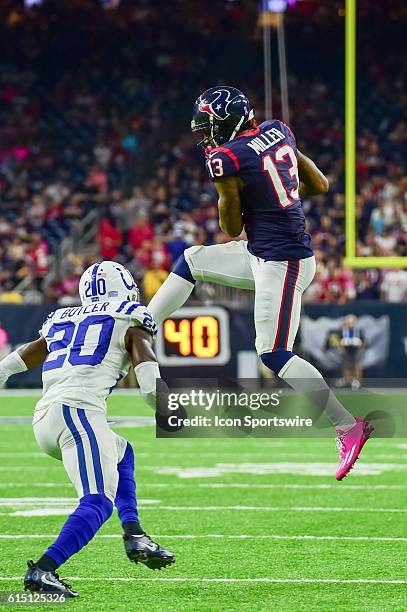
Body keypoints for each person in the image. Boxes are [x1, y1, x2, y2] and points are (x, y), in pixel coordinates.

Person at [148, 86, 374, 480]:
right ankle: (140, 327)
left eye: (210, 128)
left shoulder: (228, 157)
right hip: (263, 253)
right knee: (191, 260)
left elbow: (231, 225)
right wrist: (275, 196)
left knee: (273, 353)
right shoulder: (278, 130)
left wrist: (229, 188)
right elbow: (319, 184)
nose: (206, 137)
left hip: (282, 262)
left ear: (228, 122)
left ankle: (346, 425)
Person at [0, 261, 184, 598]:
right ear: (128, 286)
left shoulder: (62, 317)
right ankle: (44, 569)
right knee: (97, 501)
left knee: (122, 451)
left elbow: (29, 353)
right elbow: (147, 387)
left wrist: (1, 373)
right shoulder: (132, 316)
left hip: (46, 416)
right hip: (78, 412)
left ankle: (135, 534)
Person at [337, 314, 365, 389]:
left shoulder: (359, 331)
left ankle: (357, 381)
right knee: (346, 366)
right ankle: (347, 380)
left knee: (357, 366)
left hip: (356, 351)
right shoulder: (342, 331)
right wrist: (341, 348)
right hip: (346, 352)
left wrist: (360, 346)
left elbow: (364, 343)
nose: (350, 324)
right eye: (349, 322)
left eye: (352, 322)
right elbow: (338, 342)